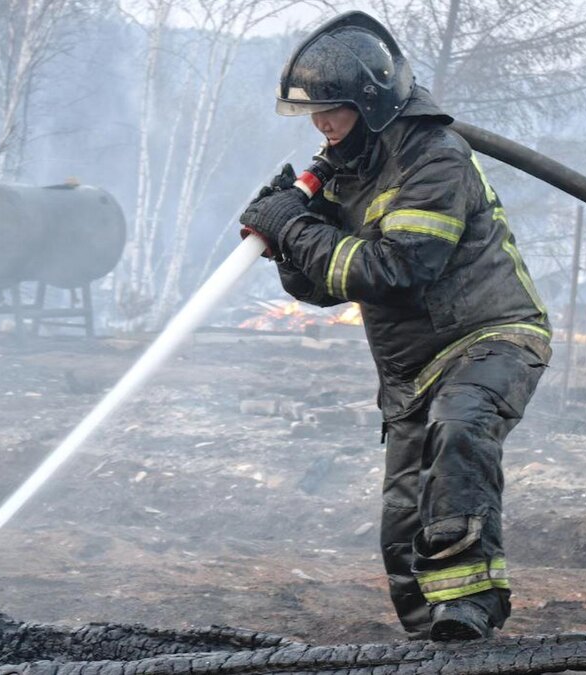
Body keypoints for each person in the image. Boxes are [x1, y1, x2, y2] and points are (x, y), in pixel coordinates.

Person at [238, 11, 551, 641]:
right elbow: (323, 287)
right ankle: (432, 643)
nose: (321, 126)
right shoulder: (348, 170)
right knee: (405, 525)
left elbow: (398, 266)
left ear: (372, 100)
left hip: (490, 337)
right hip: (411, 369)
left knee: (460, 428)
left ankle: (471, 612)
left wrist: (295, 227)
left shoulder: (435, 160)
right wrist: (283, 243)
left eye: (333, 110)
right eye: (314, 115)